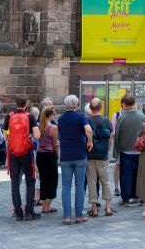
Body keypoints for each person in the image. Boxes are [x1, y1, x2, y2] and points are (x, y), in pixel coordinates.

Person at [57, 94, 93, 225]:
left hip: (66, 155)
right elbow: (88, 130)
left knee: (65, 186)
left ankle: (67, 216)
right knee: (79, 186)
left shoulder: (61, 118)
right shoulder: (80, 116)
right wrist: (90, 142)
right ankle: (79, 216)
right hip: (79, 155)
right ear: (76, 104)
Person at [4, 96, 42, 221]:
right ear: (26, 104)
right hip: (27, 152)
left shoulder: (9, 116)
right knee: (30, 182)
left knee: (15, 182)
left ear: (16, 104)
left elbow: (5, 137)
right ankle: (29, 212)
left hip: (14, 153)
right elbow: (37, 135)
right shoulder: (30, 116)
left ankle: (18, 213)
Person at [114, 93, 145, 206]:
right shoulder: (142, 117)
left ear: (124, 104)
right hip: (140, 150)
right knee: (139, 174)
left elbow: (117, 135)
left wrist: (116, 151)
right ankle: (140, 197)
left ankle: (125, 199)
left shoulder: (121, 117)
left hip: (126, 150)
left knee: (126, 175)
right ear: (134, 103)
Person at [86, 98, 114, 217]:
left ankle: (94, 208)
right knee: (106, 181)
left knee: (92, 182)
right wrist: (107, 150)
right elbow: (111, 137)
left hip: (90, 154)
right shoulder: (106, 120)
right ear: (101, 107)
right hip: (103, 155)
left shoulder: (86, 120)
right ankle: (108, 208)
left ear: (90, 108)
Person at [36, 106, 59, 214]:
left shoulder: (38, 126)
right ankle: (47, 206)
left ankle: (43, 205)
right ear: (50, 115)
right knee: (52, 180)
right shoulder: (53, 127)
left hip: (40, 155)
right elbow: (55, 144)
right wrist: (58, 155)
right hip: (50, 155)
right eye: (54, 114)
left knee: (43, 180)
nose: (54, 116)